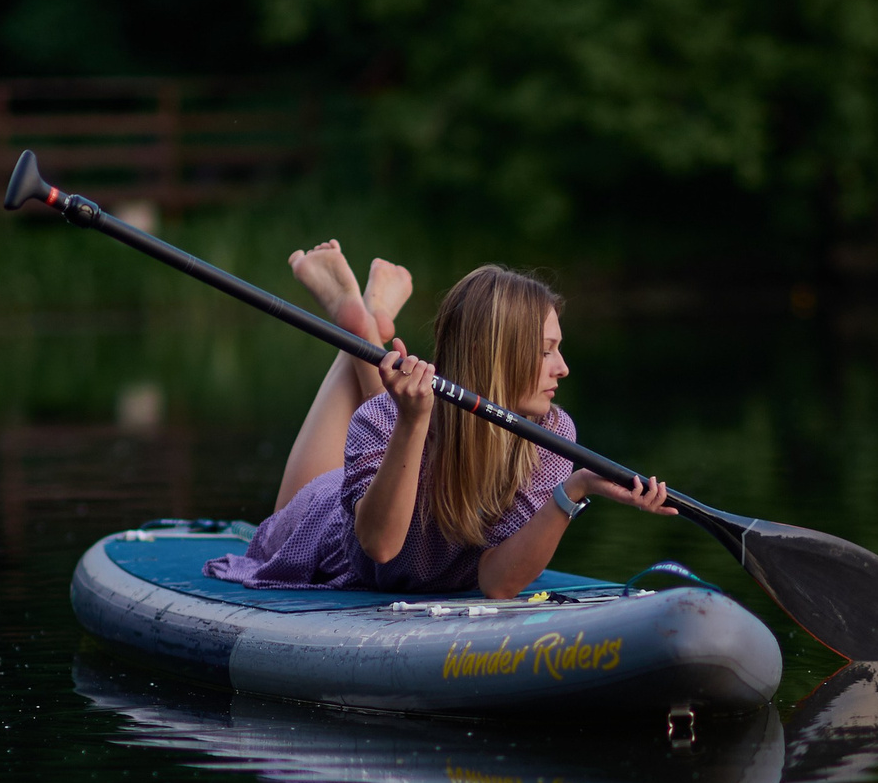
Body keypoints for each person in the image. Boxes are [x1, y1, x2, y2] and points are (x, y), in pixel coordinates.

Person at [207, 246, 674, 598]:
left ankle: (367, 329)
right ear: (490, 353)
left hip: (406, 462)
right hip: (330, 534)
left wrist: (575, 489)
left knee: (404, 408)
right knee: (287, 512)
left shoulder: (552, 435)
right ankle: (361, 334)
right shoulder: (382, 417)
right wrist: (412, 420)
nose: (563, 368)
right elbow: (380, 548)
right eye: (545, 350)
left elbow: (497, 583)